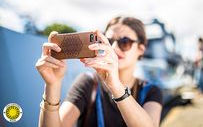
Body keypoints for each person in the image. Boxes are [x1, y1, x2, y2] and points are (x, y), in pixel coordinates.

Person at [35, 17, 163, 127]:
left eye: (125, 42)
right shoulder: (89, 82)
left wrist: (116, 87)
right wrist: (53, 85)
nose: (114, 48)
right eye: (110, 41)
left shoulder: (151, 90)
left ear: (141, 49)